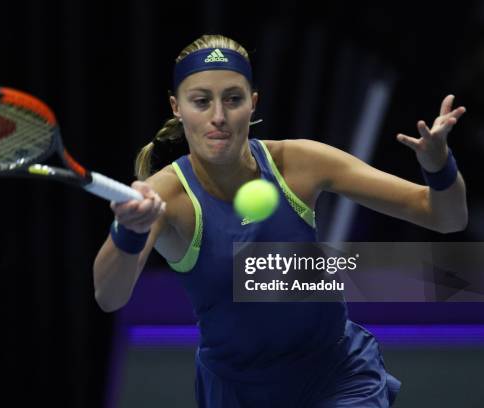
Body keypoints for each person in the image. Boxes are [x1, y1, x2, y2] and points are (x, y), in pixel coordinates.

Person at [93, 34, 468, 407]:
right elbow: (109, 297)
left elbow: (445, 217)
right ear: (177, 107)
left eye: (233, 99)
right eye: (201, 101)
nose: (219, 116)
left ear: (253, 102)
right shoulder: (166, 195)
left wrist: (438, 167)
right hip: (235, 391)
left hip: (336, 375)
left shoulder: (300, 163)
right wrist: (129, 231)